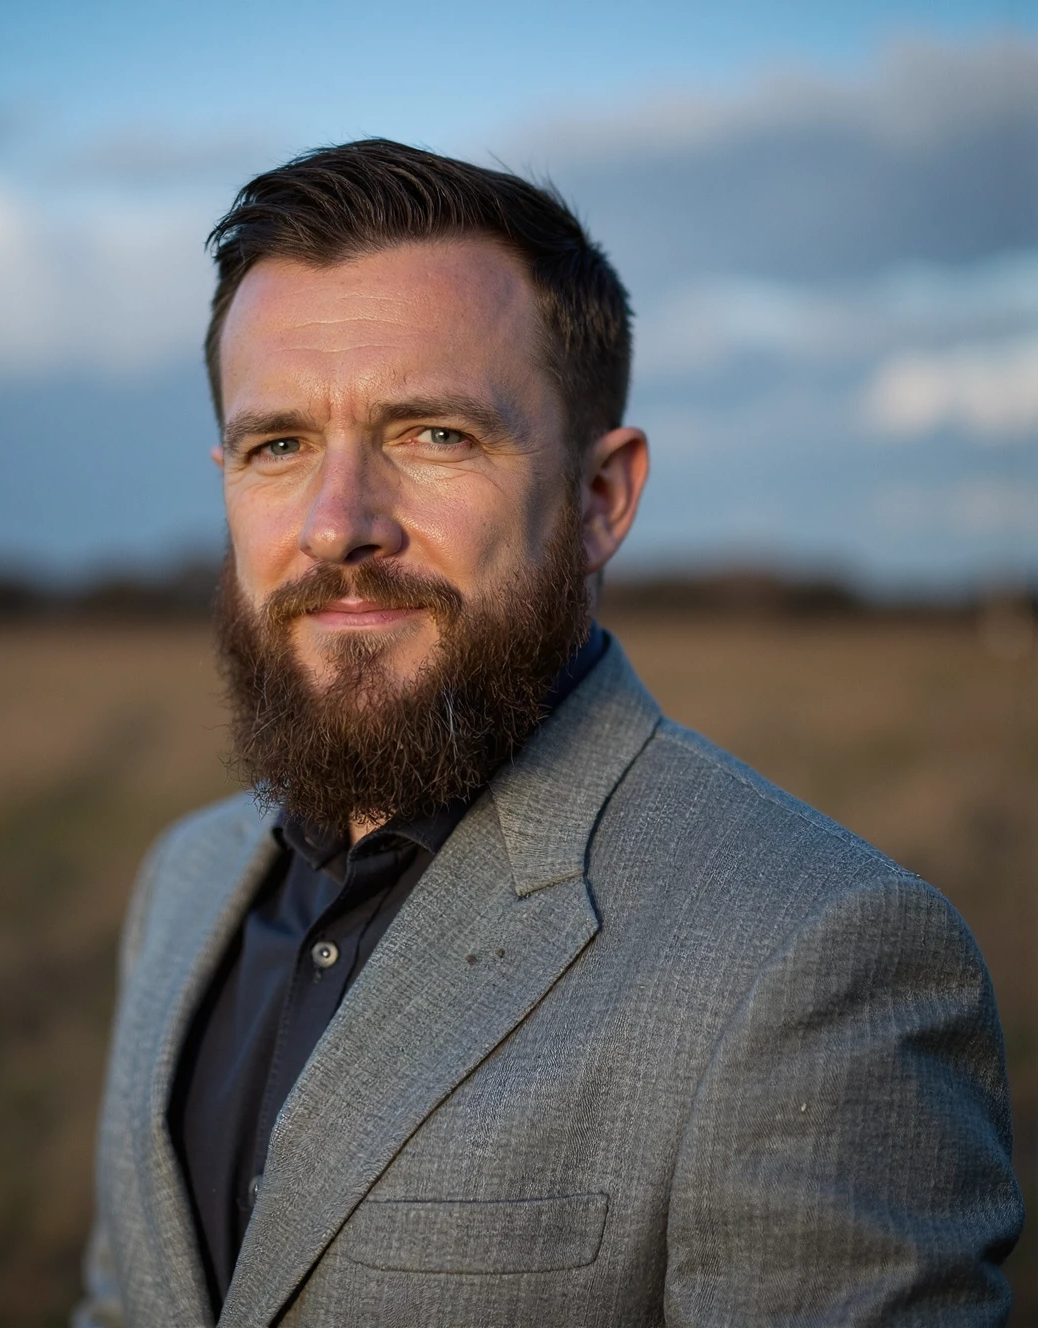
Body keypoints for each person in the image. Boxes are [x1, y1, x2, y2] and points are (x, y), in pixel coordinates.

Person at [76, 139, 1023, 1327]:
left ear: (597, 499)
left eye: (432, 434)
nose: (335, 525)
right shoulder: (187, 881)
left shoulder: (814, 957)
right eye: (279, 446)